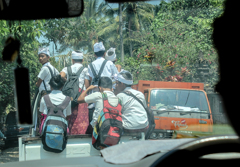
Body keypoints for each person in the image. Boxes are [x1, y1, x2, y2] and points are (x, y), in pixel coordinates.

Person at [87, 42, 119, 126]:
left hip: (95, 98)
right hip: (109, 98)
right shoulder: (110, 63)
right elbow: (116, 78)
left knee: (95, 122)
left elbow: (90, 80)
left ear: (94, 54)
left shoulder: (90, 66)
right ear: (105, 53)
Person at [60, 51, 90, 135]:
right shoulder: (85, 70)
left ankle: (69, 133)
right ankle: (81, 134)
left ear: (72, 60)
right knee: (81, 117)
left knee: (69, 116)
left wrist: (68, 82)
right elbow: (87, 85)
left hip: (69, 95)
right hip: (81, 95)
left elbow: (61, 76)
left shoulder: (67, 68)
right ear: (82, 60)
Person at [33, 47, 59, 134]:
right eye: (39, 56)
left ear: (48, 57)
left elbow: (38, 83)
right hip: (53, 93)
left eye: (42, 56)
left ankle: (41, 131)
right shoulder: (54, 69)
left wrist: (36, 85)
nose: (40, 58)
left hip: (44, 94)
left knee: (42, 113)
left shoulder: (44, 68)